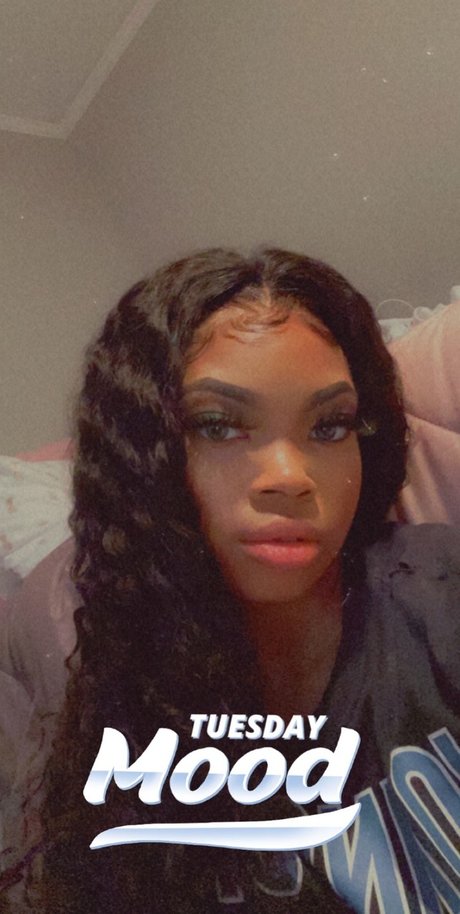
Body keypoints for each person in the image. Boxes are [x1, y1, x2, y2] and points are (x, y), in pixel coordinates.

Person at [2, 248, 459, 913]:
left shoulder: (440, 595)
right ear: (143, 454)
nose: (289, 476)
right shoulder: (103, 681)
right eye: (217, 426)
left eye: (329, 426)